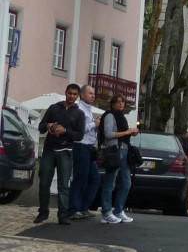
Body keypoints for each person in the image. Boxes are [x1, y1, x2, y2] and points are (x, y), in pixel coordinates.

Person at [35, 84, 87, 225]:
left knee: (63, 184)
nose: (71, 96)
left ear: (78, 96)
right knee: (44, 182)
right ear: (65, 93)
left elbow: (79, 136)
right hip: (49, 150)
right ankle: (43, 212)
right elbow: (40, 127)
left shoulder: (79, 114)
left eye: (74, 94)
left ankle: (63, 214)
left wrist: (64, 131)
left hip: (66, 151)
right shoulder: (53, 108)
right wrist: (48, 126)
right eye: (69, 93)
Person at [99, 95, 139, 224]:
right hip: (114, 150)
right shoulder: (110, 115)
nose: (121, 104)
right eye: (118, 102)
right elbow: (108, 134)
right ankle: (106, 211)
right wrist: (127, 132)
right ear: (113, 104)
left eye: (123, 102)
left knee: (126, 182)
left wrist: (130, 133)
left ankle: (118, 210)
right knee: (110, 182)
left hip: (124, 149)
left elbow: (123, 133)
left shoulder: (122, 117)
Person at [69, 84, 101, 220]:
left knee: (94, 178)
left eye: (93, 93)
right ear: (82, 95)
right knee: (80, 179)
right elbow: (81, 128)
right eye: (90, 93)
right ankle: (73, 209)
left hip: (89, 147)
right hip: (81, 146)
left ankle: (84, 207)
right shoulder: (79, 109)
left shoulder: (88, 109)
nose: (93, 96)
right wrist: (95, 124)